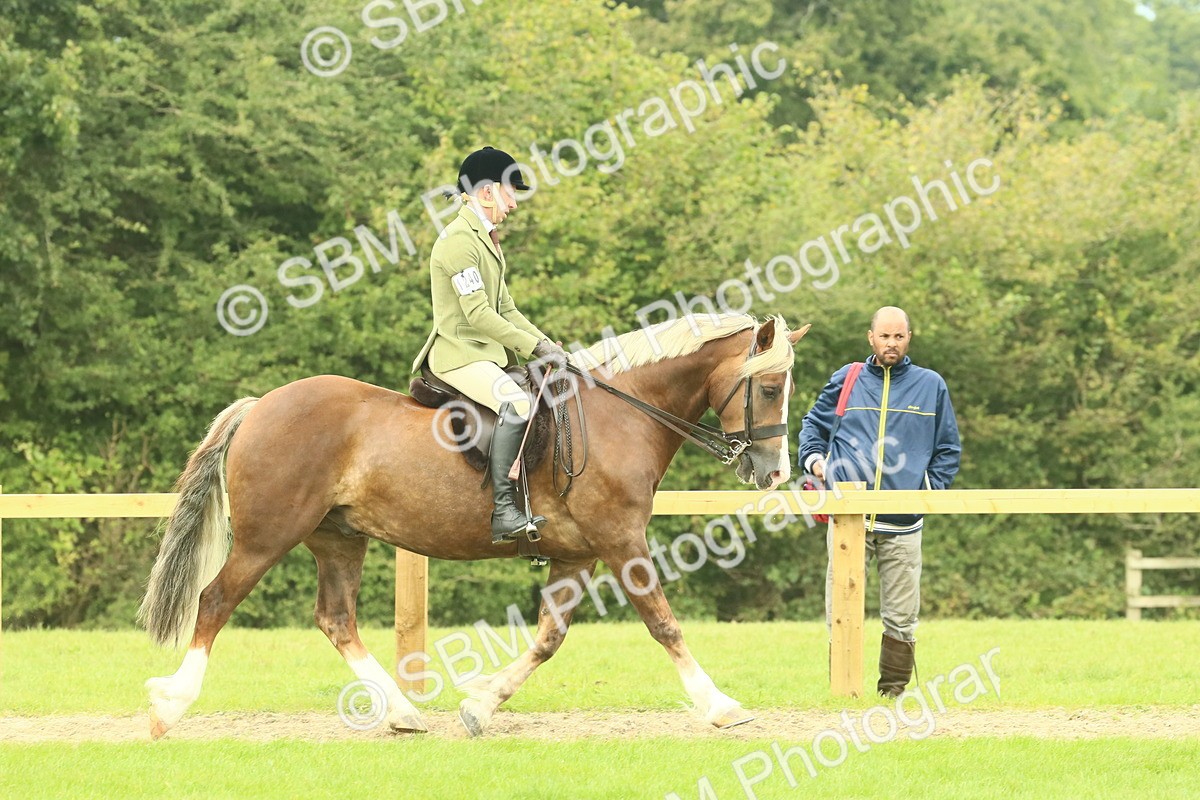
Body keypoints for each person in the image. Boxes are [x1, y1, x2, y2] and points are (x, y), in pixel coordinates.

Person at [798, 306, 961, 697]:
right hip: (848, 518)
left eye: (899, 336)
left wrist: (925, 489)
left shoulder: (931, 384)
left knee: (902, 617)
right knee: (838, 612)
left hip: (903, 522)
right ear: (871, 337)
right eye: (885, 336)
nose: (892, 343)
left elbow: (948, 448)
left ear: (909, 338)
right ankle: (844, 693)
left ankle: (892, 695)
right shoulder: (847, 378)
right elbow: (813, 426)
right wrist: (816, 461)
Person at [411, 146, 568, 544]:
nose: (514, 202)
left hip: (486, 354)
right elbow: (480, 316)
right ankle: (503, 511)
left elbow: (506, 308)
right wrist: (535, 349)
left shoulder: (486, 240)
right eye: (510, 191)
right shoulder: (459, 242)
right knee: (516, 404)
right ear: (485, 192)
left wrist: (546, 343)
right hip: (459, 355)